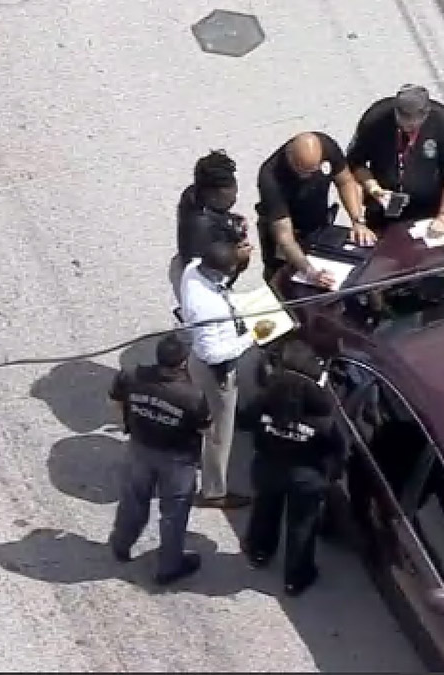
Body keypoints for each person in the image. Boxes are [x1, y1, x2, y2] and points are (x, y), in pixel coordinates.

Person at [107, 334, 212, 585]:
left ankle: (121, 544)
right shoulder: (193, 396)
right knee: (174, 513)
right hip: (177, 460)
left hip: (140, 448)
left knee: (133, 500)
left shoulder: (131, 376)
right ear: (184, 362)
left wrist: (132, 424)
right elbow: (207, 430)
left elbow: (115, 401)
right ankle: (169, 567)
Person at [179, 241, 276, 509]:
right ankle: (213, 491)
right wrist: (254, 335)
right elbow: (215, 354)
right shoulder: (209, 307)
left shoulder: (192, 270)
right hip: (214, 371)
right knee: (219, 433)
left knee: (198, 414)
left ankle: (191, 454)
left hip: (195, 359)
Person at [241, 346, 338, 596]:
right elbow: (338, 449)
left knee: (264, 510)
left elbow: (244, 420)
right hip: (305, 478)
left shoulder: (265, 402)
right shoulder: (323, 418)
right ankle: (296, 578)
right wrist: (328, 475)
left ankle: (259, 552)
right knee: (301, 527)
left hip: (267, 468)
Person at [345, 84, 444, 240]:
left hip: (428, 210)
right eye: (403, 120)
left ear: (426, 113)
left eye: (414, 122)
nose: (408, 125)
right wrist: (374, 188)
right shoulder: (375, 118)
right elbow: (355, 162)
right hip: (383, 206)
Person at [255, 131, 360, 287]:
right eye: (302, 171)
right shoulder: (270, 177)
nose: (308, 177)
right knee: (285, 283)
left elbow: (345, 181)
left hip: (318, 225)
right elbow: (285, 237)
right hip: (288, 236)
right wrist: (310, 272)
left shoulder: (326, 146)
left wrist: (358, 221)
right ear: (290, 155)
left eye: (313, 171)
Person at [170, 150, 253, 301]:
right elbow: (207, 275)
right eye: (229, 200)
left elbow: (218, 213)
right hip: (201, 283)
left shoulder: (194, 192)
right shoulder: (199, 228)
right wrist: (236, 257)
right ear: (212, 196)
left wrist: (231, 219)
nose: (233, 201)